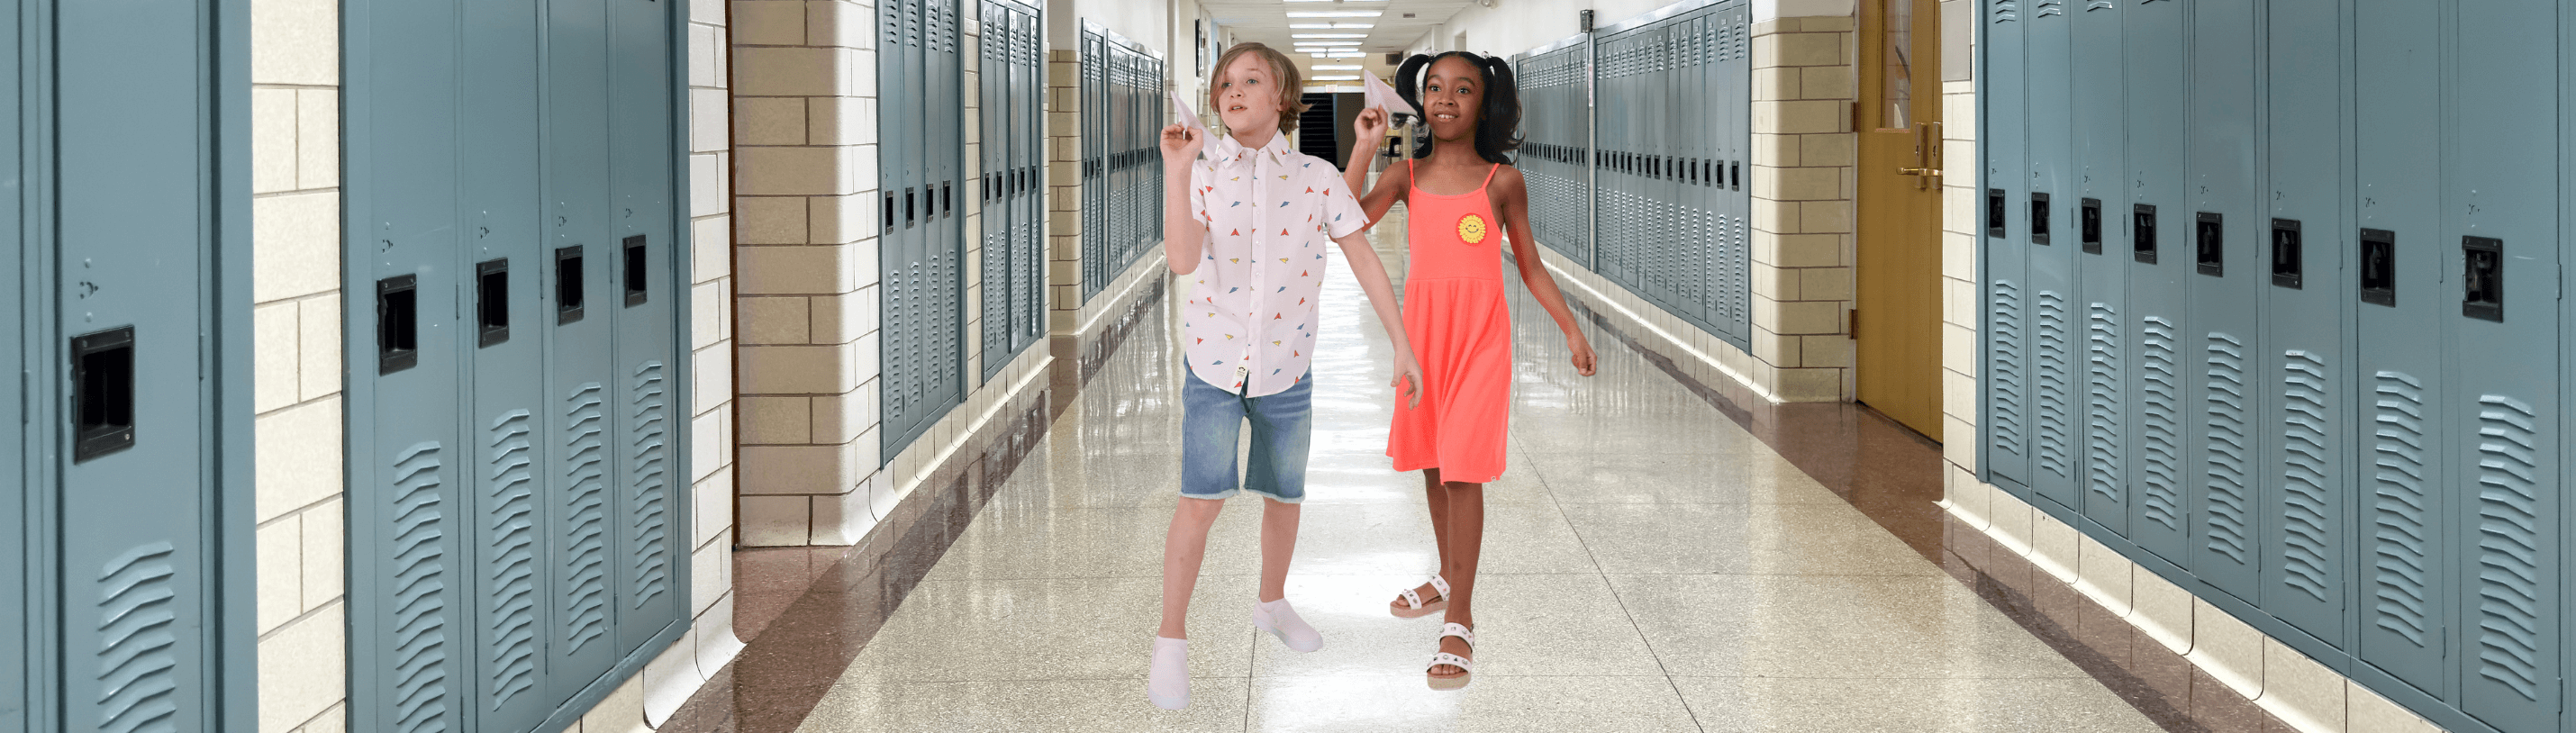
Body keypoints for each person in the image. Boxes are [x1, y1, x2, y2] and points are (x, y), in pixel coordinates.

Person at [1147, 41, 1425, 710]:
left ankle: (1271, 604)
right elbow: (1183, 261)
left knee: (1284, 497)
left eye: (1250, 81)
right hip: (1215, 369)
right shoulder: (1205, 172)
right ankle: (1170, 641)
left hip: (1286, 370)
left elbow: (1361, 258)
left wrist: (1402, 345)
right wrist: (1177, 170)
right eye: (1224, 85)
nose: (1233, 92)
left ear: (1283, 98)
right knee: (1200, 500)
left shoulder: (1318, 179)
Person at [1341, 51, 1600, 691]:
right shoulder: (1407, 174)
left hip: (1481, 341)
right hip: (1421, 341)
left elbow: (1531, 266)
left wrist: (1570, 327)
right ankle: (1447, 573)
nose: (1446, 98)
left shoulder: (1502, 182)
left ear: (1485, 103)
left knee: (1462, 467)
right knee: (1433, 460)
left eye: (1463, 89)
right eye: (1435, 88)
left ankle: (1460, 616)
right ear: (1420, 100)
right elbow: (1343, 221)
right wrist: (1364, 147)